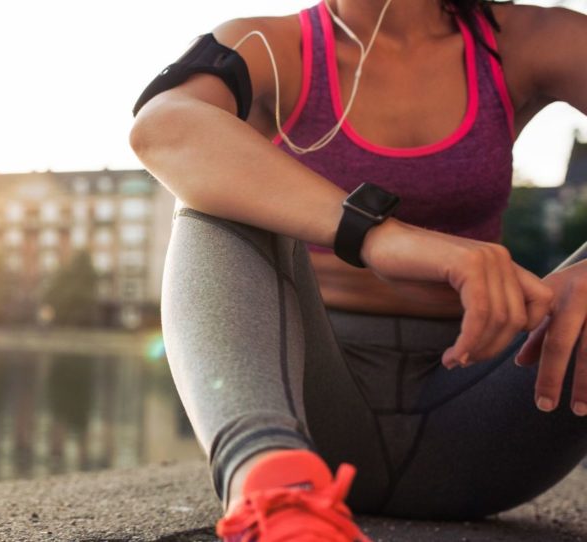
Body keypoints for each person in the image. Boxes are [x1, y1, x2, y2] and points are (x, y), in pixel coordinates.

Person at [128, 0, 587, 540]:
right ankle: (275, 498)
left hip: (490, 421)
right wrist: (374, 234)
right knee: (214, 185)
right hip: (311, 409)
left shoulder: (534, 39)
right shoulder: (272, 47)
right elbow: (161, 126)